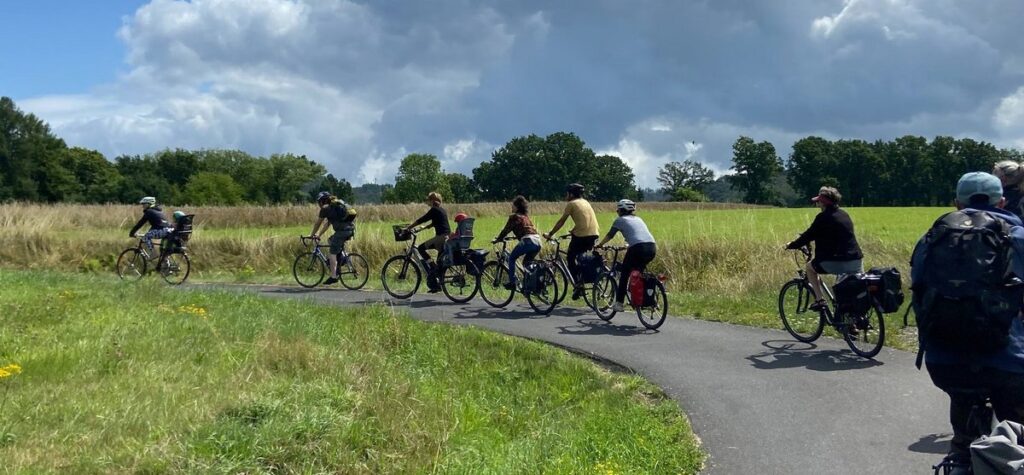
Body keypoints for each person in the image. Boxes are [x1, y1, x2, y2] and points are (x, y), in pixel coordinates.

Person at [913, 172, 1024, 472]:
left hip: (946, 360)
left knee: (965, 432)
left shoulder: (932, 237)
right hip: (1010, 362)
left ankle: (962, 456)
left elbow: (919, 293)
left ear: (957, 203)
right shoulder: (1018, 236)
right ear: (1002, 201)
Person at [784, 186, 863, 310]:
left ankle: (819, 300)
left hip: (837, 261)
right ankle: (849, 319)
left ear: (823, 203)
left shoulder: (823, 217)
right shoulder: (844, 214)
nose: (817, 204)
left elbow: (808, 235)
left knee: (810, 268)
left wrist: (792, 245)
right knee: (846, 290)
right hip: (856, 260)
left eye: (818, 201)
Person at [595, 199, 656, 312]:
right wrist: (628, 245)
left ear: (621, 210)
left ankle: (619, 303)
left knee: (625, 273)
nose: (617, 211)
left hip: (637, 248)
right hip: (652, 247)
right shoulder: (638, 219)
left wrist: (600, 245)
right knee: (638, 273)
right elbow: (638, 235)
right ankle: (640, 298)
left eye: (618, 209)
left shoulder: (620, 220)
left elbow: (610, 235)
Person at [543, 183, 600, 299]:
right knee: (581, 258)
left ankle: (578, 284)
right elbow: (586, 221)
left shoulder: (571, 204)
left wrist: (550, 234)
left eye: (567, 193)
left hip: (582, 236)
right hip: (594, 234)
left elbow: (561, 221)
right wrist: (574, 230)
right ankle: (584, 278)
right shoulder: (586, 202)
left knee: (570, 257)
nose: (566, 195)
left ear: (571, 194)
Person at [494, 196, 542, 290]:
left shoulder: (514, 217)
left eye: (513, 206)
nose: (511, 208)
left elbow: (506, 230)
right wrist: (515, 237)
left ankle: (513, 282)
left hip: (528, 241)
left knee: (512, 258)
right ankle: (529, 285)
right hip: (537, 241)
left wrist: (498, 239)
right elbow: (526, 230)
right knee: (527, 263)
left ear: (517, 207)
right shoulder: (525, 217)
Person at [406, 192, 450, 292]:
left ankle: (432, 266)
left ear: (432, 200)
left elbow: (422, 219)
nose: (428, 202)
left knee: (421, 248)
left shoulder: (434, 210)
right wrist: (424, 228)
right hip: (446, 237)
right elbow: (435, 222)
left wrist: (408, 228)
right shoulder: (441, 210)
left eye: (428, 200)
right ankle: (436, 285)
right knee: (439, 265)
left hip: (441, 237)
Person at [308, 191, 356, 285]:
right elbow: (327, 224)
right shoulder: (334, 206)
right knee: (330, 240)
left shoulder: (326, 208)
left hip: (342, 232)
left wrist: (311, 235)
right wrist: (319, 235)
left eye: (319, 202)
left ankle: (333, 276)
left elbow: (318, 223)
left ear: (323, 201)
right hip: (350, 230)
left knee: (332, 253)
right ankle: (342, 259)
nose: (319, 204)